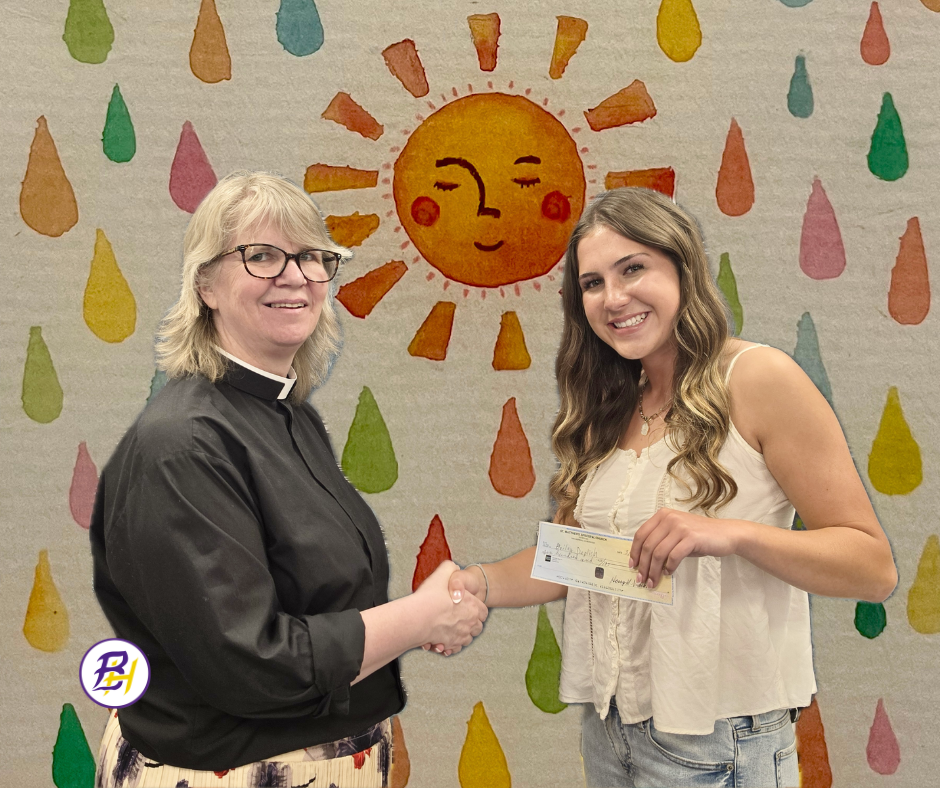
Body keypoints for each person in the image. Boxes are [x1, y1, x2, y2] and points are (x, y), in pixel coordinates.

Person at [441, 188, 897, 787]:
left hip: (721, 740)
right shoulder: (610, 405)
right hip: (611, 730)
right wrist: (476, 583)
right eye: (593, 283)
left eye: (633, 269)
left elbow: (872, 568)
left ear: (683, 268)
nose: (613, 297)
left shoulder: (759, 378)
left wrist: (729, 535)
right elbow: (580, 560)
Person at [89, 171, 487, 788]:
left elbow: (322, 604)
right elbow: (251, 663)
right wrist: (418, 619)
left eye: (311, 257)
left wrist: (426, 617)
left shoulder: (291, 414)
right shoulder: (182, 443)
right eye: (262, 255)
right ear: (205, 285)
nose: (296, 276)